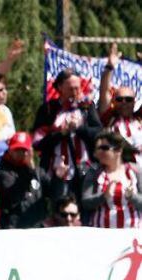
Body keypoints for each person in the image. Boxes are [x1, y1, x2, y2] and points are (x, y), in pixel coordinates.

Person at [32, 68, 102, 203]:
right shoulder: (48, 109)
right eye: (71, 89)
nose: (75, 93)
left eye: (78, 88)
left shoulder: (87, 107)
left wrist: (80, 128)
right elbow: (37, 142)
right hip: (57, 171)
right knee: (61, 211)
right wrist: (61, 133)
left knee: (86, 208)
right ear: (60, 88)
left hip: (86, 170)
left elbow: (99, 133)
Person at [82, 130, 142, 228]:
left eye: (104, 148)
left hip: (132, 234)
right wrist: (103, 196)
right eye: (97, 149)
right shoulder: (93, 173)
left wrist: (132, 196)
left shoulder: (135, 171)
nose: (98, 152)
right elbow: (86, 203)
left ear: (118, 150)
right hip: (102, 234)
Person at [0, 132, 48, 229]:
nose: (22, 153)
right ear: (10, 150)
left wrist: (59, 177)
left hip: (37, 226)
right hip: (14, 228)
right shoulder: (2, 173)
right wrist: (29, 171)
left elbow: (51, 191)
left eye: (24, 150)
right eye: (17, 149)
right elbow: (14, 197)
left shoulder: (37, 172)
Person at [99, 43, 142, 165]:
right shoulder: (110, 118)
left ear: (134, 102)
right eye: (119, 99)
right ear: (113, 101)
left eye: (128, 99)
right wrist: (109, 67)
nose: (124, 103)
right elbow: (104, 92)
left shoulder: (139, 118)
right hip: (118, 171)